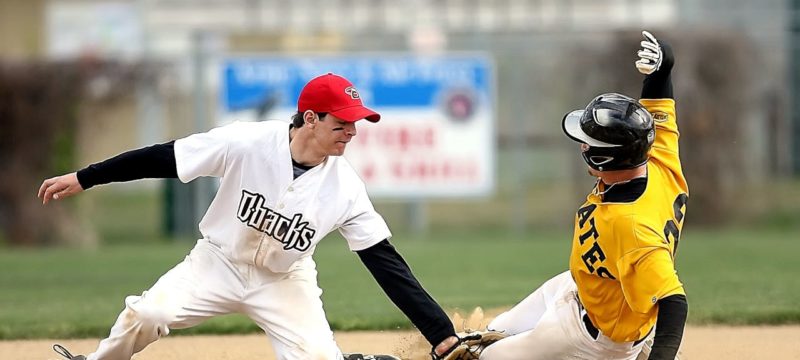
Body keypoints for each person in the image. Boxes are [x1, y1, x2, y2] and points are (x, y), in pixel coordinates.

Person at [40, 73, 461, 360]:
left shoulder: (345, 187)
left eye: (357, 123)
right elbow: (165, 157)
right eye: (343, 122)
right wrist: (86, 177)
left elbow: (386, 263)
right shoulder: (248, 142)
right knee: (150, 314)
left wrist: (440, 334)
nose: (352, 131)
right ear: (310, 119)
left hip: (283, 280)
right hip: (217, 263)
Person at [478, 31, 688, 360]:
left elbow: (673, 301)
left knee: (486, 358)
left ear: (604, 158)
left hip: (594, 337)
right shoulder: (658, 159)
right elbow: (659, 104)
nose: (583, 145)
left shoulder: (632, 225)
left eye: (589, 142)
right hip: (584, 286)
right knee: (489, 333)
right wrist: (662, 71)